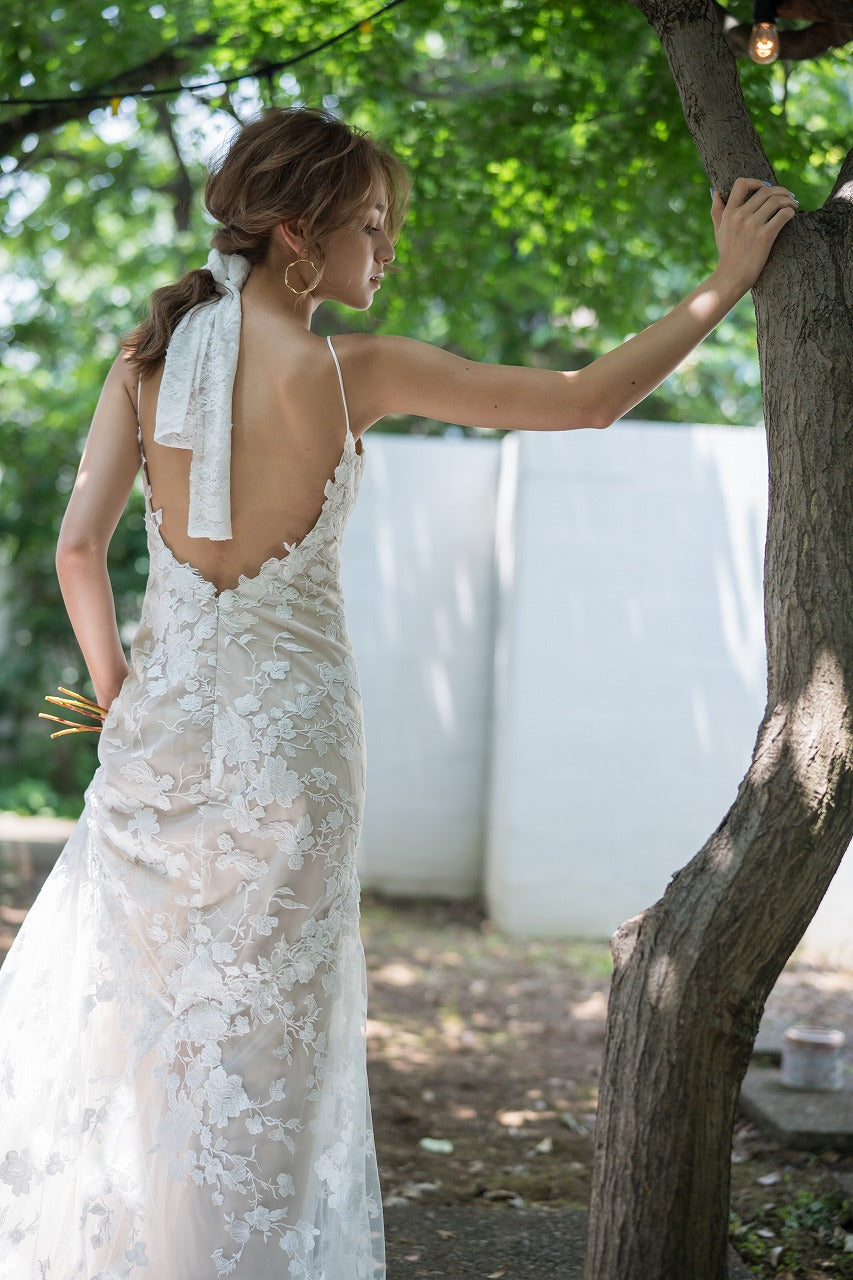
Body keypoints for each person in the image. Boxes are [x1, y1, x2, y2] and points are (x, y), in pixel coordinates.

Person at [0, 106, 795, 1279]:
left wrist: (118, 700)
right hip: (295, 760)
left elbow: (79, 551)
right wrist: (723, 281)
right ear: (295, 234)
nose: (387, 247)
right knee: (266, 1057)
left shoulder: (143, 364)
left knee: (141, 1040)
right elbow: (585, 398)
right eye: (370, 225)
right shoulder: (352, 372)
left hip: (154, 750)